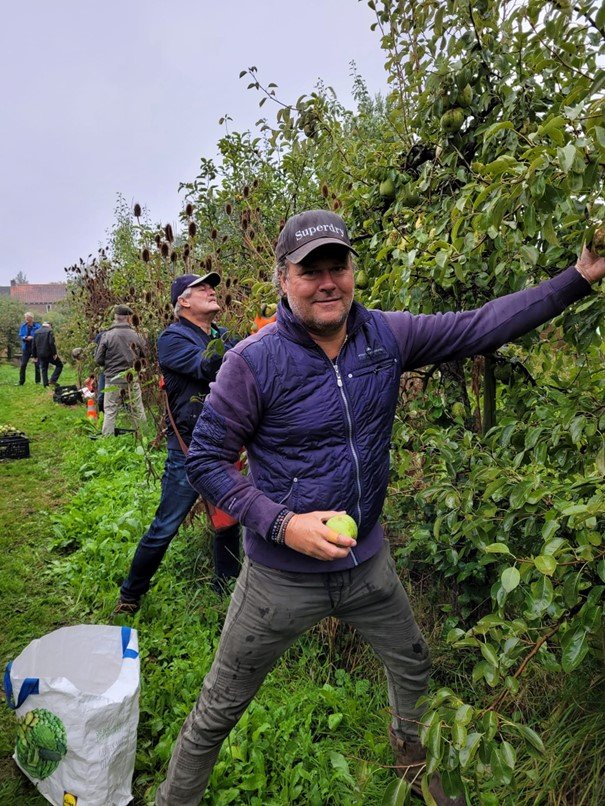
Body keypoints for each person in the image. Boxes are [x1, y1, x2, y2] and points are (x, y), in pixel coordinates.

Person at [154, 209, 605, 806]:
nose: (327, 282)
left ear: (353, 270)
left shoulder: (385, 336)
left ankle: (427, 787)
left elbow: (479, 326)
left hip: (367, 566)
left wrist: (580, 276)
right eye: (309, 270)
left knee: (415, 674)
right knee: (219, 708)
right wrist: (283, 525)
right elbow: (206, 460)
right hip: (278, 578)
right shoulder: (253, 362)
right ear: (282, 278)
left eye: (336, 266)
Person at [114, 273, 241, 615]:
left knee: (228, 521)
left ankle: (225, 589)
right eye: (202, 288)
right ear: (183, 302)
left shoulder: (223, 335)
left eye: (211, 286)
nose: (211, 290)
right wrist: (246, 349)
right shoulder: (172, 338)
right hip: (190, 448)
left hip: (225, 444)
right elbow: (207, 368)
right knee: (166, 525)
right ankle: (130, 595)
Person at [94, 305, 147, 437]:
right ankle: (144, 436)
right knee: (137, 408)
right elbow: (144, 355)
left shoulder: (107, 336)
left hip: (112, 379)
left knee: (110, 410)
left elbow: (98, 359)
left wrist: (110, 364)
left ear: (115, 318)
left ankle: (108, 440)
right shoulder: (137, 335)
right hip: (132, 377)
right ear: (129, 318)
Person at [32, 321, 63, 387]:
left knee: (44, 368)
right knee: (59, 365)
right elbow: (51, 343)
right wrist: (54, 353)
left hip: (40, 354)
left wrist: (34, 356)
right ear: (49, 325)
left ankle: (45, 385)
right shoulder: (49, 331)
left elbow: (33, 345)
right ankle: (52, 380)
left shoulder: (36, 332)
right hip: (49, 353)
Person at [18, 312, 41, 385]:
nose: (26, 319)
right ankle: (21, 382)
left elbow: (40, 335)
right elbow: (21, 335)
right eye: (25, 318)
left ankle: (38, 381)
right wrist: (25, 337)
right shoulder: (23, 326)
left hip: (35, 347)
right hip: (26, 347)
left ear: (31, 318)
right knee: (23, 365)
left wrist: (33, 338)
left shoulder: (38, 326)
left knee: (37, 365)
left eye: (27, 318)